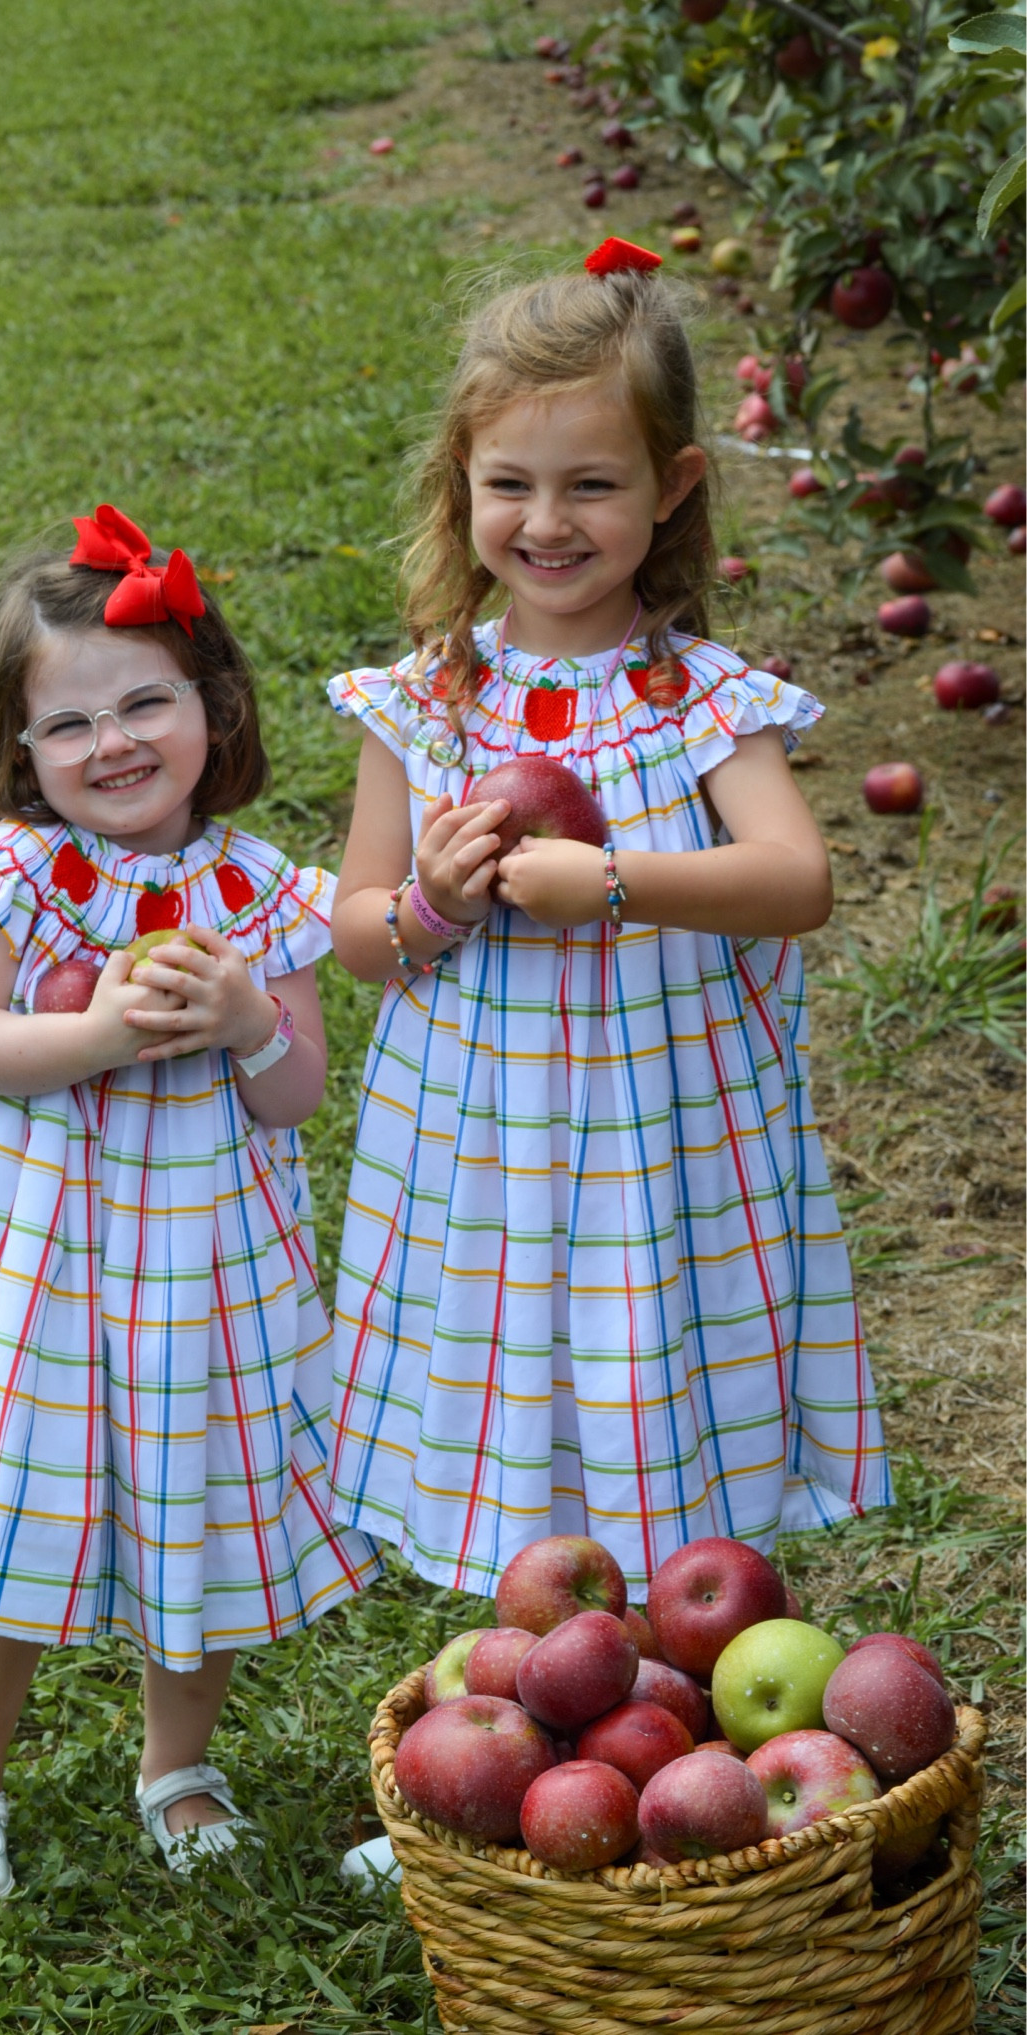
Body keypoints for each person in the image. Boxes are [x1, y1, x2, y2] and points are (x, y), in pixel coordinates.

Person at [327, 240, 890, 1705]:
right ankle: (507, 1730)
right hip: (486, 1154)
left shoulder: (699, 698)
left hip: (663, 1149)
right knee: (510, 1400)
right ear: (461, 484)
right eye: (510, 483)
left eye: (593, 484)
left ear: (675, 486)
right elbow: (354, 933)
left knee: (654, 1385)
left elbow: (796, 881)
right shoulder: (426, 701)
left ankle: (675, 1715)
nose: (548, 521)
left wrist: (618, 882)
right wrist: (436, 902)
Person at [0, 505, 382, 1915]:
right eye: (69, 724)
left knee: (193, 1514)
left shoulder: (258, 891)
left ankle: (178, 1766)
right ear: (22, 750)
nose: (114, 744)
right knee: (13, 1530)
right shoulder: (17, 881)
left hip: (204, 1274)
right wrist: (86, 1041)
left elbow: (295, 1094)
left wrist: (246, 1014)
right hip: (35, 1273)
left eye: (146, 702)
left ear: (213, 709)